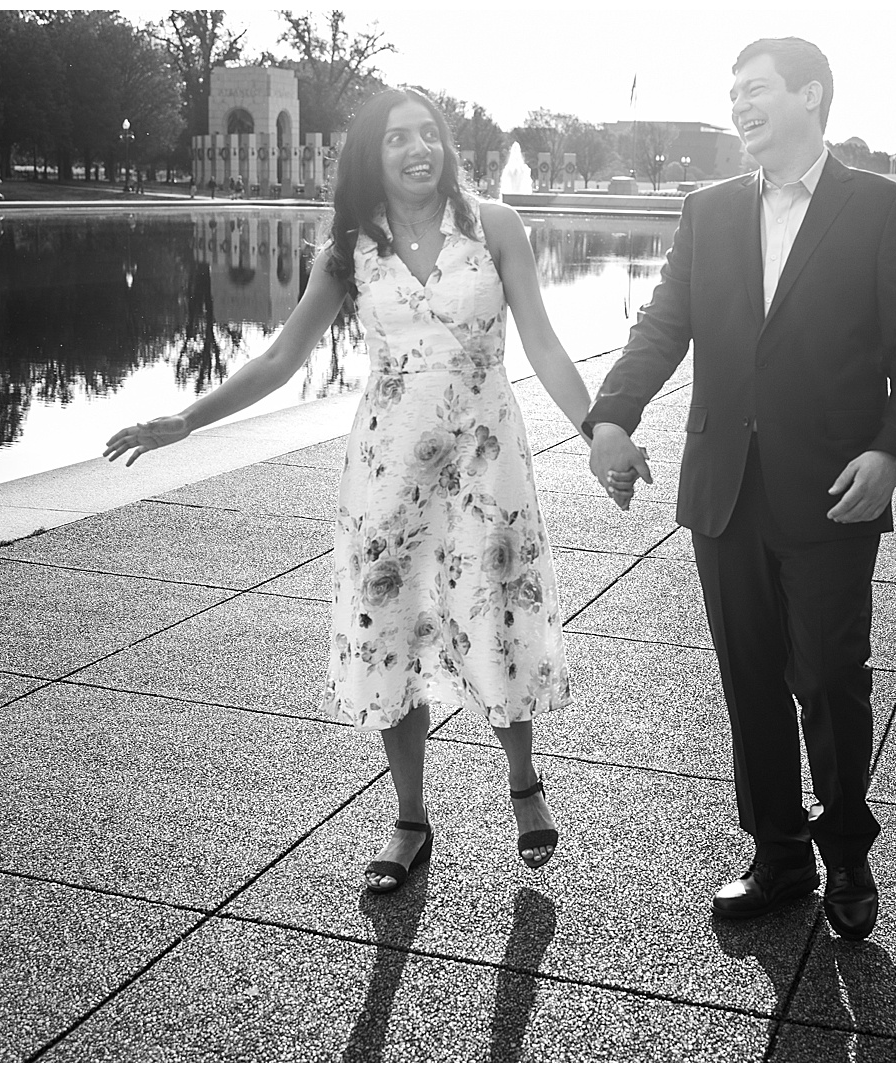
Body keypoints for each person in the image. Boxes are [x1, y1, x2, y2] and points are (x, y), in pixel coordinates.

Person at [105, 87, 593, 894]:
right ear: (371, 154)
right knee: (390, 628)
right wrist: (187, 419)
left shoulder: (496, 228)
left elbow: (541, 342)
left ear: (446, 144)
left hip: (486, 459)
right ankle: (410, 819)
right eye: (397, 137)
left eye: (428, 133)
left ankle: (523, 783)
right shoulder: (345, 250)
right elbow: (280, 358)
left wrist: (595, 429)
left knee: (496, 611)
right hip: (388, 469)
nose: (416, 148)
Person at [585, 37, 896, 940]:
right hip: (724, 491)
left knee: (828, 679)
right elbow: (664, 325)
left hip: (832, 492)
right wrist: (611, 416)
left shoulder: (880, 208)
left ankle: (849, 857)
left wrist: (891, 452)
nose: (740, 106)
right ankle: (779, 856)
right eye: (733, 92)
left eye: (756, 91)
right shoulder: (707, 210)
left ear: (810, 95)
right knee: (749, 681)